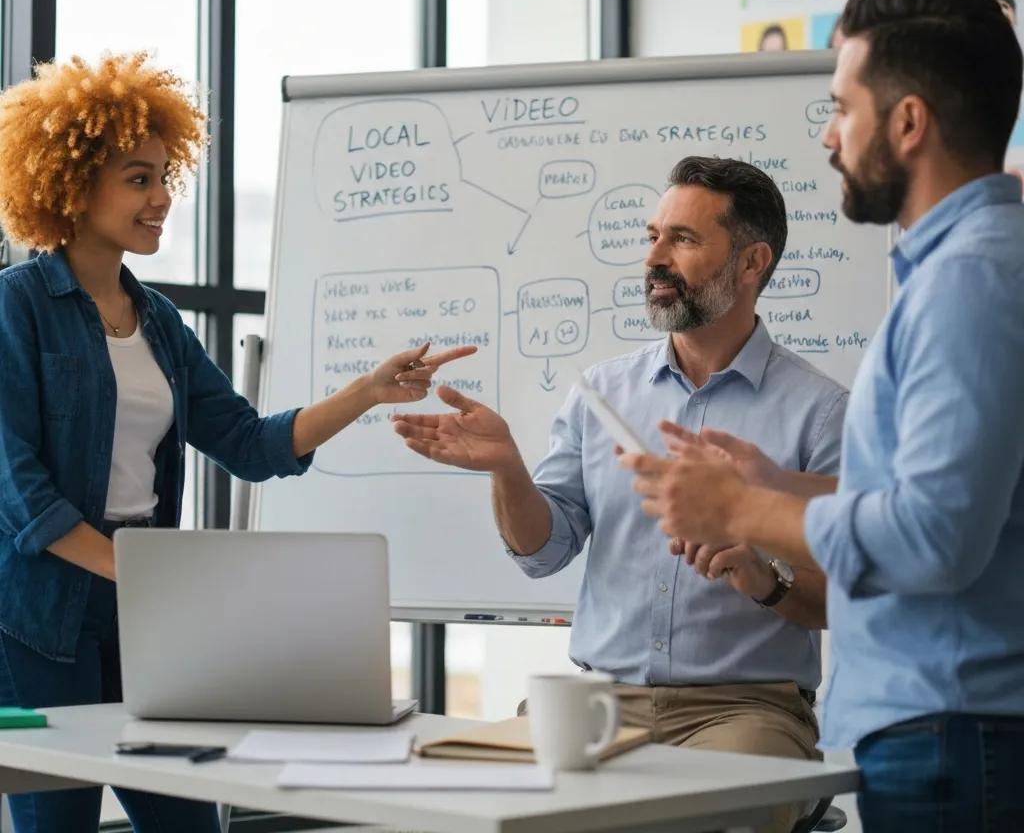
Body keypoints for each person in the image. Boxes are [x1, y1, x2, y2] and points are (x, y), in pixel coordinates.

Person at [0, 52, 476, 833]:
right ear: (72, 183)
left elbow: (249, 443)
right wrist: (144, 574)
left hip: (145, 612)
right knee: (59, 825)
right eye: (138, 179)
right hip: (39, 615)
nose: (162, 199)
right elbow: (21, 495)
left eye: (163, 177)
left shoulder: (158, 321)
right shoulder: (16, 309)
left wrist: (367, 391)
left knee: (190, 823)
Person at [621, 0, 1024, 831]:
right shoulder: (957, 274)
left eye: (842, 107)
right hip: (941, 730)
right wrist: (781, 486)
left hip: (957, 731)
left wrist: (746, 507)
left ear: (909, 123)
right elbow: (922, 502)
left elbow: (936, 540)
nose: (829, 135)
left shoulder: (971, 283)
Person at [393, 157, 849, 833]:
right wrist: (508, 471)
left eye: (684, 240)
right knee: (473, 808)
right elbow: (543, 551)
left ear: (752, 263)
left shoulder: (820, 411)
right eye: (653, 235)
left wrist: (764, 578)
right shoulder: (600, 392)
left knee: (718, 821)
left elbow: (839, 601)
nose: (656, 258)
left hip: (746, 710)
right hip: (596, 703)